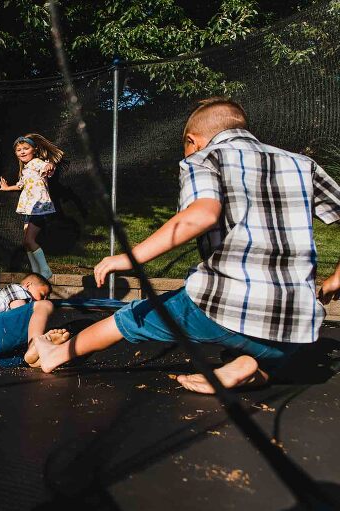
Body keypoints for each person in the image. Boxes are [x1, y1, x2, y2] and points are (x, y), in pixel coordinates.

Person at [34, 97, 340, 394]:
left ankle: (54, 356)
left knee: (132, 317)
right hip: (295, 325)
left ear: (193, 140)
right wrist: (336, 279)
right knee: (275, 357)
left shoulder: (204, 158)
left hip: (222, 307)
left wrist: (128, 258)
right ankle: (250, 366)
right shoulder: (302, 164)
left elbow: (203, 215)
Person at [0, 272, 69, 367]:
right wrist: (41, 309)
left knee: (25, 360)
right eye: (42, 295)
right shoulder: (16, 288)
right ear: (28, 285)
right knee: (45, 305)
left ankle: (37, 358)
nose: (44, 298)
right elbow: (19, 310)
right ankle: (37, 345)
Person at [0, 133, 64, 279]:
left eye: (25, 148)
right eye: (18, 150)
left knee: (29, 241)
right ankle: (35, 271)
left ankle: (45, 270)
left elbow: (48, 166)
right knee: (26, 242)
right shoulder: (26, 169)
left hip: (39, 207)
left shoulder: (37, 163)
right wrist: (6, 188)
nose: (22, 152)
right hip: (30, 209)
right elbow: (20, 185)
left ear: (34, 150)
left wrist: (49, 166)